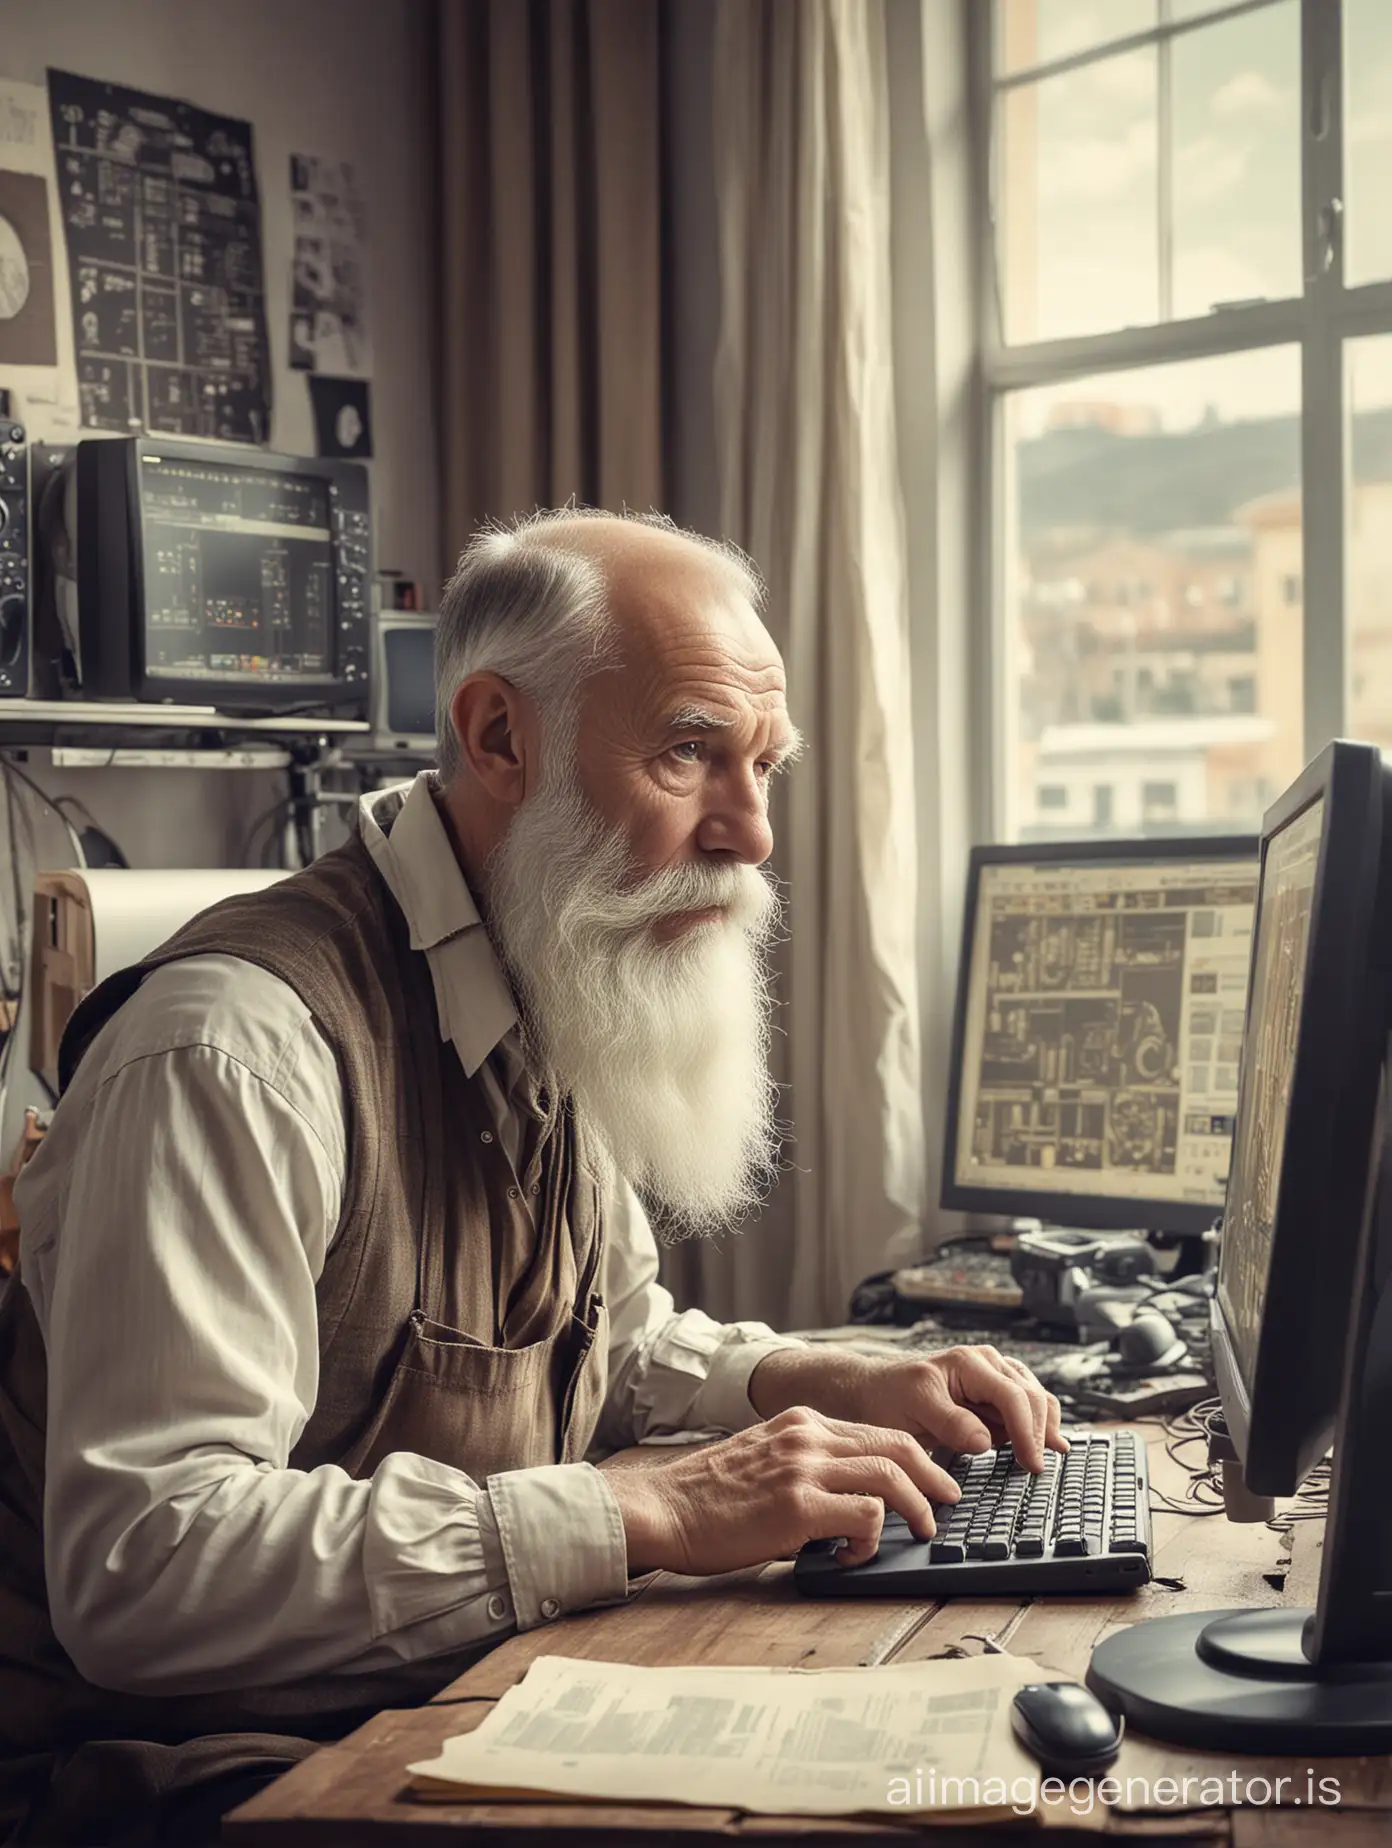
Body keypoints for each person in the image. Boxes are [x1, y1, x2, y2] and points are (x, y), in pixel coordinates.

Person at [0, 509, 1064, 1842]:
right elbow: (147, 1567)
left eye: (765, 766)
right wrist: (654, 1503)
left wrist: (804, 1374)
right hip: (191, 1779)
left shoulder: (554, 961)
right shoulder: (232, 1054)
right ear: (500, 735)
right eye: (690, 752)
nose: (752, 834)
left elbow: (601, 1341)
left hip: (460, 1707)